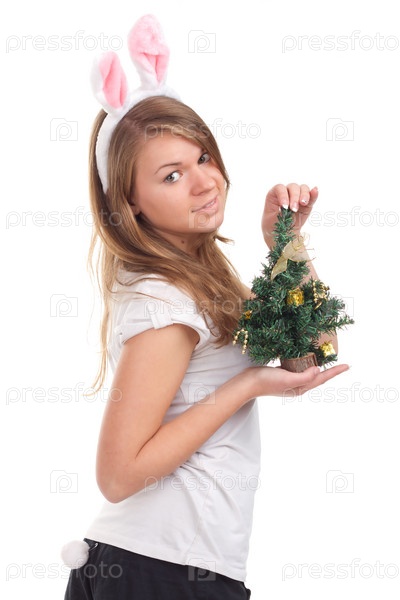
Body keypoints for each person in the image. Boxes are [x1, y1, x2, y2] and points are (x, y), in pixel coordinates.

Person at [63, 16, 349, 600]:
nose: (204, 182)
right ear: (131, 203)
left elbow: (310, 354)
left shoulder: (200, 279)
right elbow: (118, 476)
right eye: (172, 175)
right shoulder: (163, 301)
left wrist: (286, 243)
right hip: (157, 568)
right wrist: (247, 387)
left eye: (202, 157)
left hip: (171, 567)